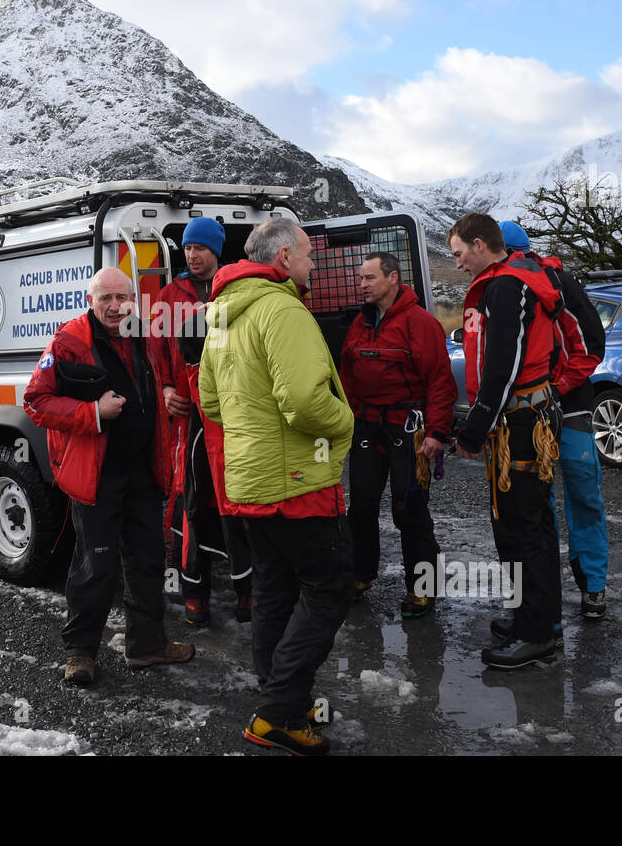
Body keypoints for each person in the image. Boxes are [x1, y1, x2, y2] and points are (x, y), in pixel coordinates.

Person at [199, 218, 354, 756]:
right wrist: (347, 422)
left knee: (274, 592)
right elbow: (306, 403)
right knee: (330, 587)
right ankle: (277, 713)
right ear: (284, 257)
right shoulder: (283, 308)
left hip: (249, 482)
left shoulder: (220, 316)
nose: (313, 266)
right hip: (299, 482)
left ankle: (281, 697)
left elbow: (212, 403)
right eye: (309, 256)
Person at [23, 267, 194, 686]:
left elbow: (162, 378)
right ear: (90, 300)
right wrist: (92, 413)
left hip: (143, 472)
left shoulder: (145, 337)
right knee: (95, 565)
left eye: (122, 297)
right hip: (96, 476)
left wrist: (169, 392)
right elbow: (36, 402)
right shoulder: (68, 342)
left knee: (148, 561)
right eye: (106, 299)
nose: (115, 307)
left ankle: (146, 645)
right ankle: (80, 653)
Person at [447, 213, 563, 670]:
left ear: (479, 244)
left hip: (520, 424)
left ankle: (536, 635)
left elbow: (503, 367)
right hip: (524, 418)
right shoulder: (515, 280)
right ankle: (531, 617)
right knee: (525, 524)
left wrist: (473, 430)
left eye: (458, 254)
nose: (456, 265)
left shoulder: (505, 287)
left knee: (522, 528)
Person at [499, 221, 609, 622]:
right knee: (535, 506)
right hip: (525, 414)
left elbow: (591, 346)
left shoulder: (559, 283)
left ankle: (593, 585)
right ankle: (543, 600)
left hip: (571, 407)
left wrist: (557, 388)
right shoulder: (503, 288)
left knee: (583, 497)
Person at [340, 252, 456, 617]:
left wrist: (437, 432)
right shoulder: (361, 322)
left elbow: (440, 380)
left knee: (410, 509)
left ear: (393, 278)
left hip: (408, 427)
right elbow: (347, 373)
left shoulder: (420, 323)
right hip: (367, 425)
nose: (362, 285)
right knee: (360, 505)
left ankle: (422, 589)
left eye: (369, 278)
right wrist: (347, 420)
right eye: (361, 279)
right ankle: (361, 575)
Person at [149, 217, 252, 627]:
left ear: (216, 252)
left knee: (240, 501)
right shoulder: (167, 298)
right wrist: (167, 393)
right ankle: (195, 597)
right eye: (188, 248)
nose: (192, 255)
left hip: (232, 420)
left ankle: (248, 593)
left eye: (201, 249)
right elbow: (154, 358)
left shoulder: (234, 291)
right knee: (189, 504)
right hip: (187, 420)